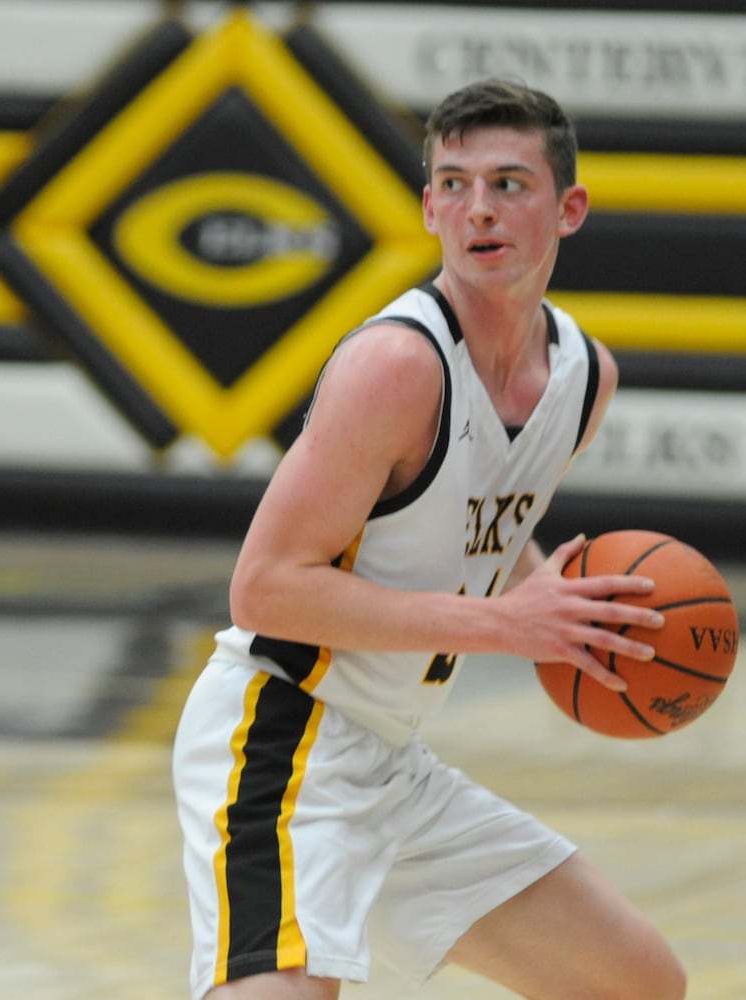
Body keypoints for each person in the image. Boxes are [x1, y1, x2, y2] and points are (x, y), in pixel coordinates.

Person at [172, 78, 688, 1000]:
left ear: (568, 208)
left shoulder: (582, 376)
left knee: (635, 984)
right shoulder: (396, 366)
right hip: (281, 740)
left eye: (507, 183)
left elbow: (482, 527)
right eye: (453, 184)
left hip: (392, 760)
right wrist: (510, 627)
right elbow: (264, 588)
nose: (477, 209)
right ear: (427, 208)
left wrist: (561, 603)